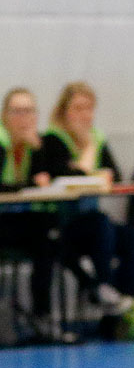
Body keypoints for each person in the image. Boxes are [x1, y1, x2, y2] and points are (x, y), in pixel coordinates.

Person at [40, 81, 134, 310]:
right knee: (100, 225)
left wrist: (88, 168)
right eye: (78, 108)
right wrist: (88, 158)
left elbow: (114, 174)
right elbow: (63, 175)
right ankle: (102, 285)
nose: (85, 115)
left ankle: (123, 298)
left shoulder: (97, 137)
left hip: (92, 221)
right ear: (64, 111)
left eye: (89, 108)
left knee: (131, 239)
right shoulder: (53, 140)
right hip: (62, 223)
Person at [0, 87, 74, 342]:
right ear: (4, 116)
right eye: (17, 111)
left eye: (29, 111)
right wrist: (28, 184)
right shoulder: (1, 143)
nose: (24, 118)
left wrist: (38, 151)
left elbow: (56, 177)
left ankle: (42, 317)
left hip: (25, 222)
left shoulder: (41, 144)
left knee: (49, 235)